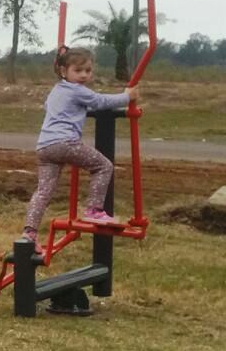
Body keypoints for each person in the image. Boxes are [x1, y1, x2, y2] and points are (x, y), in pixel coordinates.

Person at [21, 46, 140, 245]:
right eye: (78, 70)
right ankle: (94, 210)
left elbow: (53, 107)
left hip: (44, 147)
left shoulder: (56, 90)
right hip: (65, 143)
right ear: (64, 71)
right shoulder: (77, 91)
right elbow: (100, 101)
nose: (84, 75)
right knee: (103, 166)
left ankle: (29, 233)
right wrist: (127, 96)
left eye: (88, 70)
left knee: (43, 192)